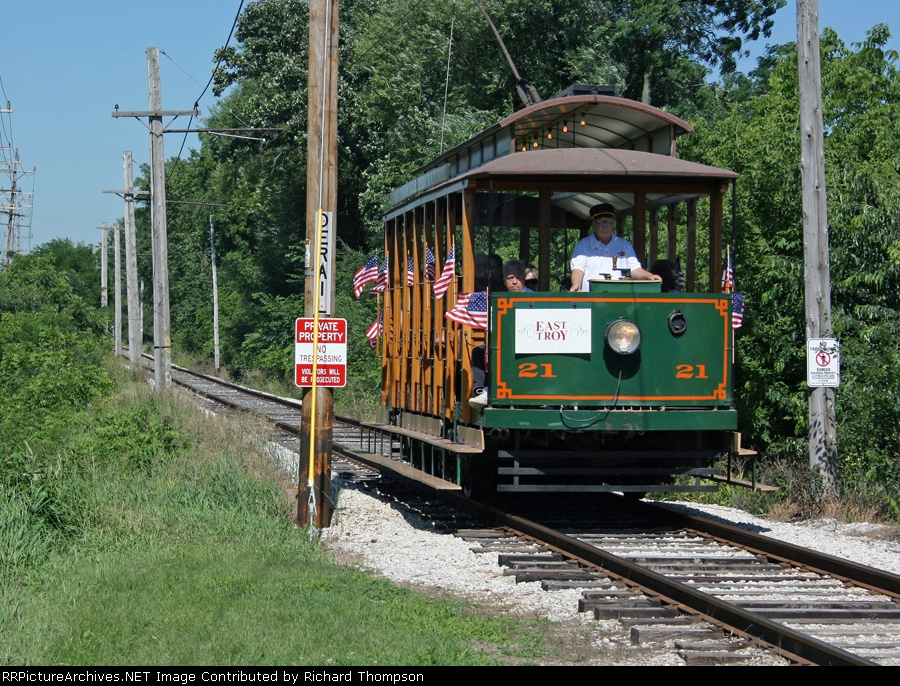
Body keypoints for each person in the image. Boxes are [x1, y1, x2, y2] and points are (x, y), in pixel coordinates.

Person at [569, 203, 661, 291]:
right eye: (601, 222)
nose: (605, 225)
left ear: (613, 223)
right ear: (593, 223)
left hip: (619, 299)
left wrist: (649, 276)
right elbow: (578, 269)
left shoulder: (623, 244)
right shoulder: (583, 245)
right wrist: (576, 284)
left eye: (609, 221)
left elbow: (634, 269)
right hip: (591, 300)